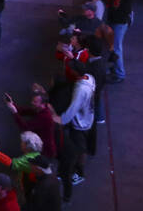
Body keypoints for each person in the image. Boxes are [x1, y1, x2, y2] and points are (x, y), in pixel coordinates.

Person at [56, 63, 96, 203]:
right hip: (88, 119)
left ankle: (78, 173)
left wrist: (60, 119)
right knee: (80, 147)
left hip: (80, 124)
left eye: (71, 69)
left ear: (76, 73)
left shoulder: (80, 90)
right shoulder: (90, 78)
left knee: (78, 149)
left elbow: (73, 109)